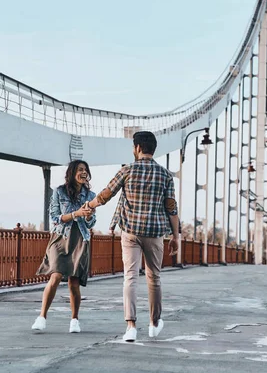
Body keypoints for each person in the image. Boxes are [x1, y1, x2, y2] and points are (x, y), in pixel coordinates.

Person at [88, 131, 179, 342]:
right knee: (154, 278)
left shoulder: (127, 170)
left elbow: (105, 195)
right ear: (153, 149)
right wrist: (176, 236)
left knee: (130, 276)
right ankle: (154, 324)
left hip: (130, 232)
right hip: (155, 233)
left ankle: (131, 326)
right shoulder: (165, 175)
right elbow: (171, 208)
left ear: (137, 148)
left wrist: (89, 206)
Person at [32, 160, 96, 333]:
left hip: (80, 238)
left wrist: (89, 216)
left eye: (86, 170)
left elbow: (91, 222)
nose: (83, 173)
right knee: (55, 276)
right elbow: (54, 217)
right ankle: (42, 317)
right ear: (72, 172)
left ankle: (74, 320)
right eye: (80, 170)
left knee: (74, 283)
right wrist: (76, 213)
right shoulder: (59, 192)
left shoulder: (91, 196)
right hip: (61, 237)